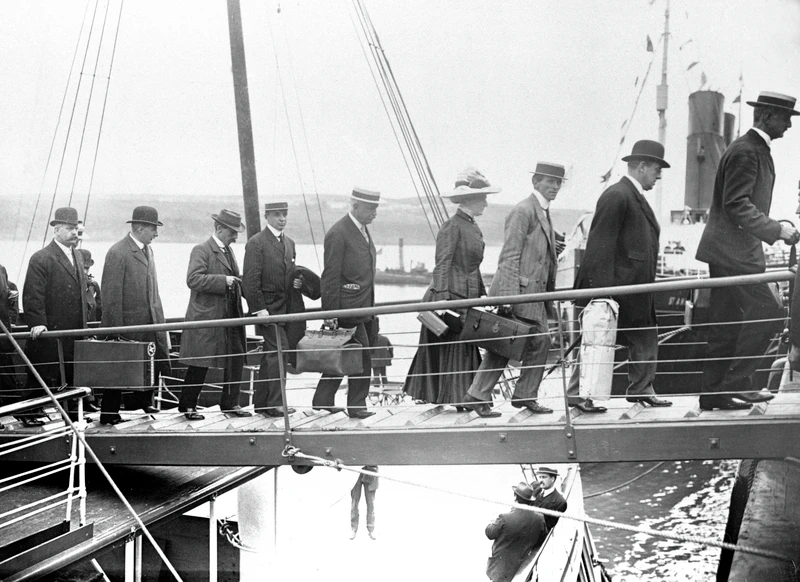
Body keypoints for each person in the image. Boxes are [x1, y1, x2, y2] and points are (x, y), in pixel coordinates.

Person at [696, 91, 800, 411]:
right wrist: (776, 230)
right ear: (767, 116)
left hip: (730, 250)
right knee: (768, 310)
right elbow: (736, 204)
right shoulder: (747, 151)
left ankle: (714, 393)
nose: (789, 126)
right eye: (786, 118)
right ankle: (737, 383)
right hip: (733, 253)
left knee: (726, 324)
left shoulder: (751, 148)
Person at [567, 140, 674, 411]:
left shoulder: (630, 196)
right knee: (598, 338)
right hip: (620, 289)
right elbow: (600, 246)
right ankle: (578, 395)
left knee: (646, 335)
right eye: (656, 169)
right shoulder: (618, 195)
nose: (658, 176)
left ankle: (641, 388)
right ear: (641, 167)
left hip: (635, 288)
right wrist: (602, 295)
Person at [465, 162, 567, 417]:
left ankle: (508, 396)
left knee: (527, 343)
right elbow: (509, 256)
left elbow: (535, 252)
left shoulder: (541, 211)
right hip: (521, 293)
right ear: (536, 183)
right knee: (510, 345)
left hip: (534, 294)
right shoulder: (524, 210)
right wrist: (508, 297)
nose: (554, 186)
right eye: (549, 181)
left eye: (558, 182)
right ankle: (495, 396)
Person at [403, 168, 498, 410]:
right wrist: (444, 303)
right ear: (469, 200)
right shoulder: (453, 226)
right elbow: (442, 264)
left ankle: (462, 399)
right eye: (482, 198)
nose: (486, 203)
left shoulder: (470, 226)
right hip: (451, 298)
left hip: (465, 298)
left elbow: (472, 267)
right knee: (455, 348)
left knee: (461, 349)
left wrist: (482, 294)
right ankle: (461, 400)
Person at [242, 201, 320, 417]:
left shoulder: (290, 243)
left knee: (273, 355)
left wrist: (299, 284)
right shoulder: (256, 243)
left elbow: (290, 273)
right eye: (277, 215)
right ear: (267, 216)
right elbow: (250, 280)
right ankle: (277, 403)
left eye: (284, 214)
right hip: (268, 310)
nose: (282, 218)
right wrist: (259, 310)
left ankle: (262, 403)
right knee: (279, 352)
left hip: (288, 310)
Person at [312, 188, 380, 419]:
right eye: (371, 208)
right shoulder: (339, 233)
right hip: (347, 309)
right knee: (361, 355)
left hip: (365, 307)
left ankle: (322, 399)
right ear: (355, 206)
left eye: (376, 208)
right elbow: (330, 276)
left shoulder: (363, 231)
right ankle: (357, 405)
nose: (375, 213)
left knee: (342, 354)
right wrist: (330, 313)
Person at [178, 210, 251, 421]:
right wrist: (223, 281)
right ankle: (188, 405)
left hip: (230, 317)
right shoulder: (201, 250)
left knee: (235, 358)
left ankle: (230, 403)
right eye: (232, 232)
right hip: (207, 318)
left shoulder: (228, 251)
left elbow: (235, 278)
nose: (235, 237)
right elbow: (193, 279)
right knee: (199, 362)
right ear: (219, 228)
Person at [99, 206, 169, 425]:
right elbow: (110, 296)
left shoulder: (148, 250)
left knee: (148, 364)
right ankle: (109, 412)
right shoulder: (118, 252)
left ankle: (144, 400)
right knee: (118, 367)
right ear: (140, 228)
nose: (156, 234)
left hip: (148, 323)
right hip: (127, 324)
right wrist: (114, 331)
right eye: (153, 229)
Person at [21, 207, 91, 425]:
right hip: (51, 328)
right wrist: (38, 323)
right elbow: (33, 294)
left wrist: (84, 326)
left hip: (74, 328)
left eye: (76, 229)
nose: (75, 233)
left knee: (70, 371)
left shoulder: (77, 256)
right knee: (41, 370)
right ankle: (28, 411)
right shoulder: (42, 258)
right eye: (70, 229)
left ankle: (70, 412)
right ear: (56, 230)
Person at [485, 481, 546, 582]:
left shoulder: (504, 517)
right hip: (523, 567)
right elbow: (541, 539)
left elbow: (490, 533)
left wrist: (492, 520)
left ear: (515, 497)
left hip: (501, 570)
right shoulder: (540, 518)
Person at [530, 466, 567, 532]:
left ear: (552, 479)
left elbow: (548, 526)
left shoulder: (560, 502)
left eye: (544, 477)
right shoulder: (535, 487)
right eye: (540, 477)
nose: (541, 480)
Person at [350, 465, 379, 540]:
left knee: (370, 503)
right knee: (354, 502)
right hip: (355, 470)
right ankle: (354, 529)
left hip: (371, 469)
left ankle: (371, 529)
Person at [77, 249, 102, 322]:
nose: (85, 271)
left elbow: (99, 309)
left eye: (87, 268)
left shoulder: (93, 285)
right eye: (82, 267)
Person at [370, 319, 393, 387]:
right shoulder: (385, 338)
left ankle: (376, 389)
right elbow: (391, 348)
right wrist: (390, 356)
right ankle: (385, 387)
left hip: (375, 360)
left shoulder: (371, 340)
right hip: (383, 360)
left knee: (376, 375)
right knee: (384, 374)